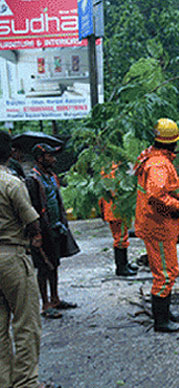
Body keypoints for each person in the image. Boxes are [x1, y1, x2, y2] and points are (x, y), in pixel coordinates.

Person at [134, 118, 179, 333]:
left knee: (167, 270)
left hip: (157, 224)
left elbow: (159, 184)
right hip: (159, 226)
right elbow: (156, 195)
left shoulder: (153, 158)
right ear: (172, 142)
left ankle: (165, 313)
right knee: (165, 273)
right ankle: (161, 321)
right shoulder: (159, 164)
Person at [0, 130, 43, 388]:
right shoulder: (11, 183)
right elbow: (32, 221)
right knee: (26, 323)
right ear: (9, 153)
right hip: (11, 256)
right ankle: (25, 382)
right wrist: (35, 238)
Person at [26, 143, 80, 319]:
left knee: (54, 263)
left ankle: (55, 298)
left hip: (55, 227)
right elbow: (31, 208)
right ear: (40, 158)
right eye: (49, 156)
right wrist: (36, 233)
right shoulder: (33, 180)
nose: (54, 159)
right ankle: (45, 304)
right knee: (43, 266)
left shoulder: (51, 177)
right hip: (42, 229)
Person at [99, 163, 137, 276]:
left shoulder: (108, 169)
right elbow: (115, 191)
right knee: (120, 238)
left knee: (122, 236)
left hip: (116, 208)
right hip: (116, 209)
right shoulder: (111, 171)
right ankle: (121, 267)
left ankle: (124, 263)